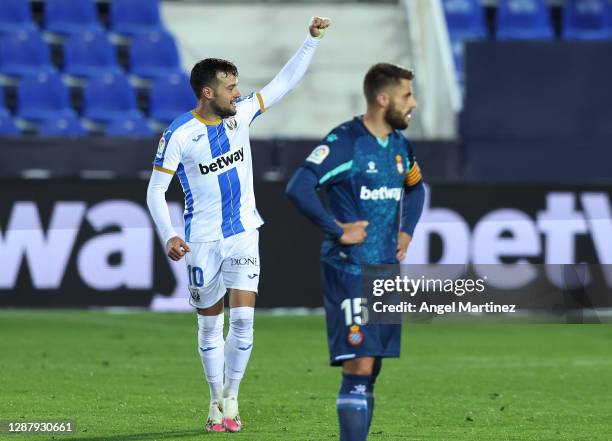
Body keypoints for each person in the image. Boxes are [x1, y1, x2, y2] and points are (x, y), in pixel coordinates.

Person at [146, 17, 331, 433]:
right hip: (201, 240)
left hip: (244, 232)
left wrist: (311, 41)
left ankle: (231, 398)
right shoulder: (179, 134)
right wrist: (170, 234)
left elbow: (283, 84)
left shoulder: (241, 114)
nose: (237, 93)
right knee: (210, 325)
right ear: (208, 92)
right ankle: (213, 401)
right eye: (230, 87)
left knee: (244, 321)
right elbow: (155, 191)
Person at [285, 63, 425, 441]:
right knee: (359, 367)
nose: (413, 104)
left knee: (372, 368)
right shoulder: (345, 142)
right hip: (349, 269)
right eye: (407, 96)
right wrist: (336, 229)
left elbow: (416, 188)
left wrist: (406, 231)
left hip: (383, 272)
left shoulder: (398, 145)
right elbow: (299, 186)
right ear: (383, 99)